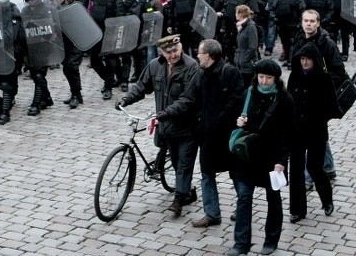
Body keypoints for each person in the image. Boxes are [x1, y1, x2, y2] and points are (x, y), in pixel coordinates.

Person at [117, 35, 200, 217]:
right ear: (162, 52)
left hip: (187, 126)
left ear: (181, 47)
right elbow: (141, 86)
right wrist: (126, 99)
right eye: (168, 52)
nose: (173, 55)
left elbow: (188, 98)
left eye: (175, 51)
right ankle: (188, 190)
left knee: (183, 164)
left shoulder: (192, 66)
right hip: (166, 126)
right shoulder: (155, 65)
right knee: (177, 161)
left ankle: (179, 200)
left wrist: (168, 112)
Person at [226, 59, 293, 256]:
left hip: (272, 156)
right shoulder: (249, 93)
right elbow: (239, 118)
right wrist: (239, 121)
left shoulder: (284, 99)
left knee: (273, 198)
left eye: (268, 78)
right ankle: (241, 244)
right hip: (249, 156)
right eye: (261, 77)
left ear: (276, 79)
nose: (264, 81)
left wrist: (282, 160)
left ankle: (271, 240)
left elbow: (288, 132)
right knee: (244, 198)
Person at [192, 39, 245, 228]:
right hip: (207, 134)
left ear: (209, 55)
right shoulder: (202, 72)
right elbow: (197, 98)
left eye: (200, 52)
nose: (197, 56)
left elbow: (237, 100)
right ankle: (212, 214)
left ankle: (243, 207)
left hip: (226, 134)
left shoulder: (229, 72)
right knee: (206, 173)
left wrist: (220, 120)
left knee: (236, 172)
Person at [287, 43, 338, 224]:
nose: (305, 62)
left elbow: (332, 107)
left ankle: (327, 200)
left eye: (308, 59)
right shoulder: (295, 76)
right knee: (296, 170)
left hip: (316, 131)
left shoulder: (324, 79)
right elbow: (288, 100)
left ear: (314, 60)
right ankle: (297, 209)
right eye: (302, 59)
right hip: (296, 131)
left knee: (315, 167)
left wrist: (317, 116)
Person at [234, 5, 259, 86]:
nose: (235, 15)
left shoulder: (251, 27)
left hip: (247, 66)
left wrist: (244, 59)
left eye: (236, 13)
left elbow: (253, 47)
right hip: (240, 64)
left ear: (240, 14)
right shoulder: (241, 26)